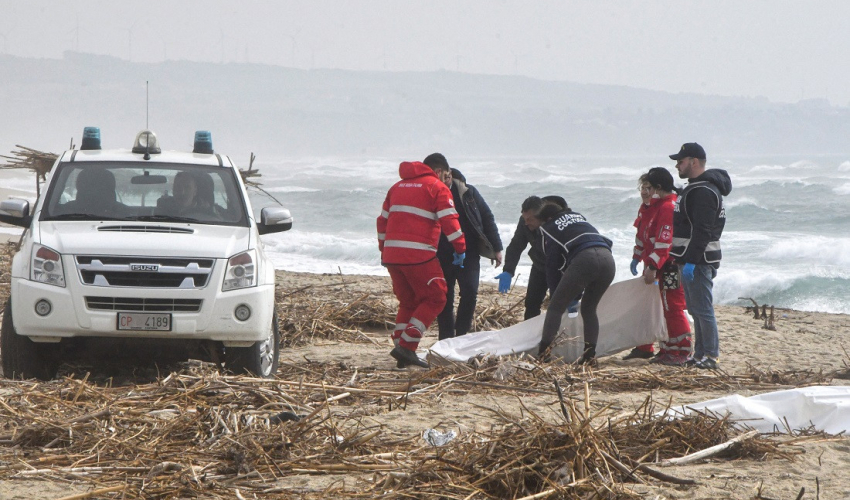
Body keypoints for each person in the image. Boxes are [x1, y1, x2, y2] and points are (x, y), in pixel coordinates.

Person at [377, 155, 467, 368]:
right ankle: (407, 346)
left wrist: (384, 249)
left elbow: (382, 221)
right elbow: (450, 222)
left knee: (408, 301)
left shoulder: (397, 187)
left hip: (392, 255)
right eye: (446, 176)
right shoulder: (437, 187)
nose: (447, 180)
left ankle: (400, 345)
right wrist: (460, 249)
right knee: (437, 297)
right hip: (418, 255)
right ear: (438, 171)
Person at [669, 143, 732, 370]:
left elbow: (702, 230)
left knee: (703, 310)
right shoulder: (695, 188)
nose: (677, 165)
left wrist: (692, 261)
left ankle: (711, 356)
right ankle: (699, 355)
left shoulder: (703, 191)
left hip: (699, 260)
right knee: (695, 309)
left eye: (681, 161)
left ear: (694, 162)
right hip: (691, 259)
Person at [624, 168, 693, 365]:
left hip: (669, 266)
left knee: (673, 306)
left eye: (650, 187)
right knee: (662, 306)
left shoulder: (667, 208)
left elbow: (664, 242)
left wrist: (653, 266)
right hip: (656, 264)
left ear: (658, 187)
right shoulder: (652, 207)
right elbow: (644, 235)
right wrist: (638, 257)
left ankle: (682, 350)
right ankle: (667, 348)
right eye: (643, 188)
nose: (646, 191)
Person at [535, 201, 615, 365]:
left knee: (556, 307)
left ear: (547, 218)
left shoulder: (548, 228)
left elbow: (552, 265)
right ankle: (589, 356)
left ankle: (543, 354)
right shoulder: (578, 217)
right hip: (608, 259)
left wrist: (555, 292)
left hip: (585, 259)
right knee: (589, 308)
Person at [435, 163, 503, 340]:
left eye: (449, 176)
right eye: (444, 177)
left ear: (452, 175)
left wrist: (496, 248)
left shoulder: (469, 193)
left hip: (469, 252)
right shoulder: (432, 194)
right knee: (444, 297)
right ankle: (445, 338)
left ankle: (461, 335)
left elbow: (487, 217)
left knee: (470, 292)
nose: (446, 180)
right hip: (441, 253)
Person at [497, 195, 568, 320]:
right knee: (531, 303)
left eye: (529, 219)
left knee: (558, 305)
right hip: (540, 265)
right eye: (524, 218)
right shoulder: (525, 222)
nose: (526, 222)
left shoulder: (559, 221)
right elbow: (516, 246)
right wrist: (508, 270)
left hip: (560, 268)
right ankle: (530, 334)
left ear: (541, 217)